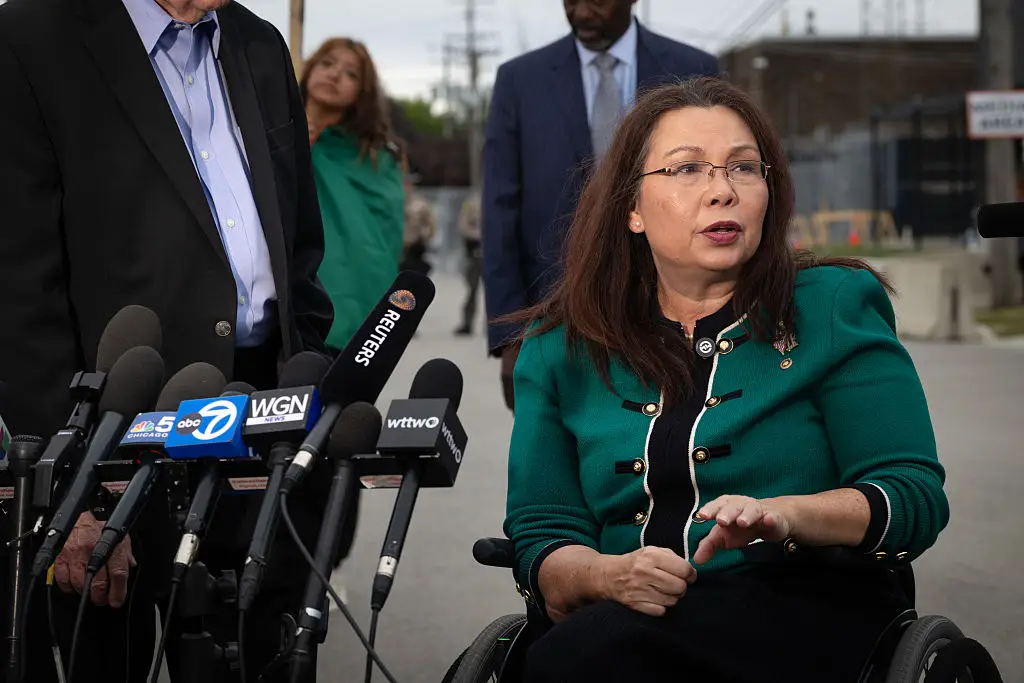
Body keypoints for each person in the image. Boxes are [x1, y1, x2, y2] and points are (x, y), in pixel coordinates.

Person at [502, 77, 950, 683]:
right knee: (580, 652)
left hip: (805, 612)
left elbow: (910, 495)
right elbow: (542, 532)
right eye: (687, 169)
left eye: (743, 168)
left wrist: (786, 515)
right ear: (632, 209)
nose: (722, 191)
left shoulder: (832, 306)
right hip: (613, 620)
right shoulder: (561, 345)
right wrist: (603, 575)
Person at [0, 0, 334, 680]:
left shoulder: (260, 43)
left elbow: (298, 246)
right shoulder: (30, 36)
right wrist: (74, 493)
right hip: (115, 430)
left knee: (259, 653)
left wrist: (310, 370)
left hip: (262, 419)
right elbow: (18, 292)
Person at [481, 0, 718, 412]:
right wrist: (510, 338)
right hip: (558, 315)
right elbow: (500, 211)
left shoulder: (692, 68)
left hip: (677, 311)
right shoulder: (520, 81)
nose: (581, 12)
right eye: (570, 1)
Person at [303, 37, 407, 353]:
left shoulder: (375, 158)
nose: (335, 75)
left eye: (351, 74)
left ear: (362, 92)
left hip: (345, 300)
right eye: (327, 63)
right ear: (310, 69)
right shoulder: (267, 130)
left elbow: (379, 241)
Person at [455, 193, 483, 336]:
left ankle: (494, 324)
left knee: (496, 291)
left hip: (493, 253)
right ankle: (467, 323)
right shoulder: (472, 205)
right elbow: (464, 227)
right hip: (474, 254)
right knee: (472, 290)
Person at [400, 174, 437, 276]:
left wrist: (424, 234)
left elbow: (430, 225)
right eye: (404, 184)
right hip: (397, 246)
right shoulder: (395, 202)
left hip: (414, 247)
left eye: (409, 184)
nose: (407, 187)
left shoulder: (420, 204)